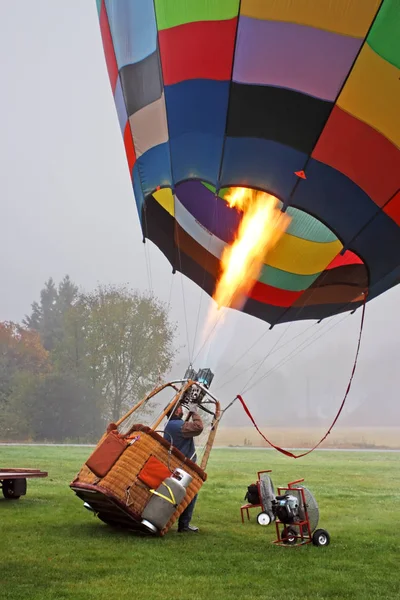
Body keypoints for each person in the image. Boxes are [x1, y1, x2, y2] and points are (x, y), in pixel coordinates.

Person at [164, 402, 203, 533]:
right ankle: (184, 525)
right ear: (176, 412)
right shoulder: (177, 426)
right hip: (184, 466)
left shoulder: (170, 425)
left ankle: (182, 523)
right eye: (180, 409)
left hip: (176, 465)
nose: (182, 410)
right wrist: (195, 412)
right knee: (191, 493)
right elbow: (198, 427)